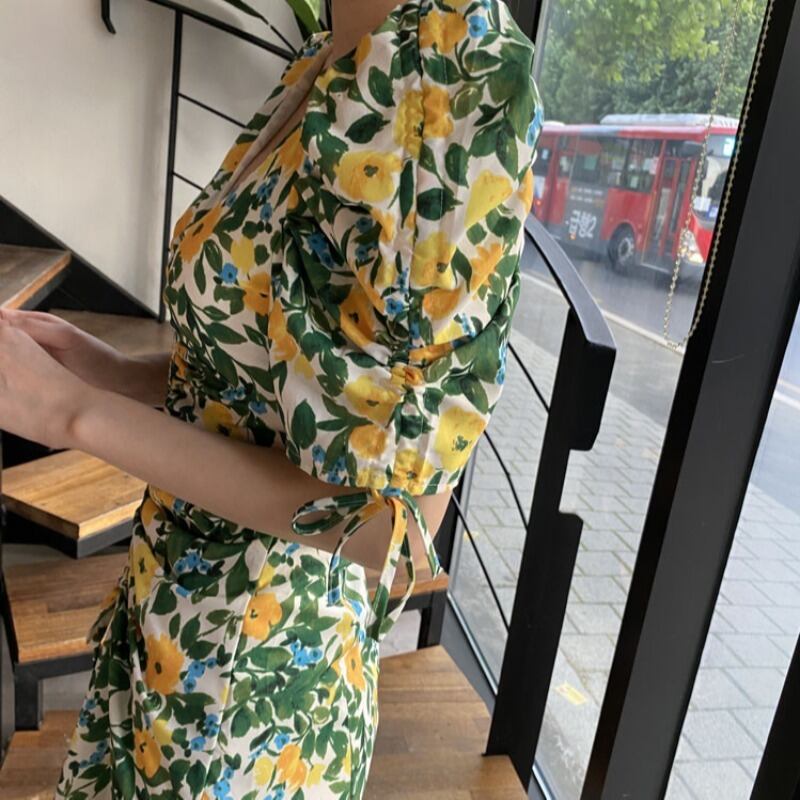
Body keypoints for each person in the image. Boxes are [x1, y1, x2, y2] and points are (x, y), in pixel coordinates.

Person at [0, 0, 543, 796]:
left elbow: (395, 530)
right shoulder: (339, 45)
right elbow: (275, 385)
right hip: (173, 628)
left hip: (249, 707)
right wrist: (111, 373)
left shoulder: (448, 79)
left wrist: (73, 414)